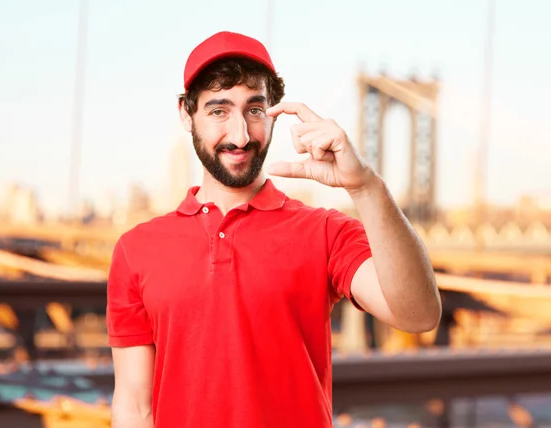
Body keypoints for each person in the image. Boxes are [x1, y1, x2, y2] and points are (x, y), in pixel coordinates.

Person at [106, 30, 441, 428]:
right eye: (218, 111)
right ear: (186, 113)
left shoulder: (325, 232)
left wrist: (364, 186)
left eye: (254, 110)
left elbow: (419, 315)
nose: (241, 136)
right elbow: (133, 407)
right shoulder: (136, 250)